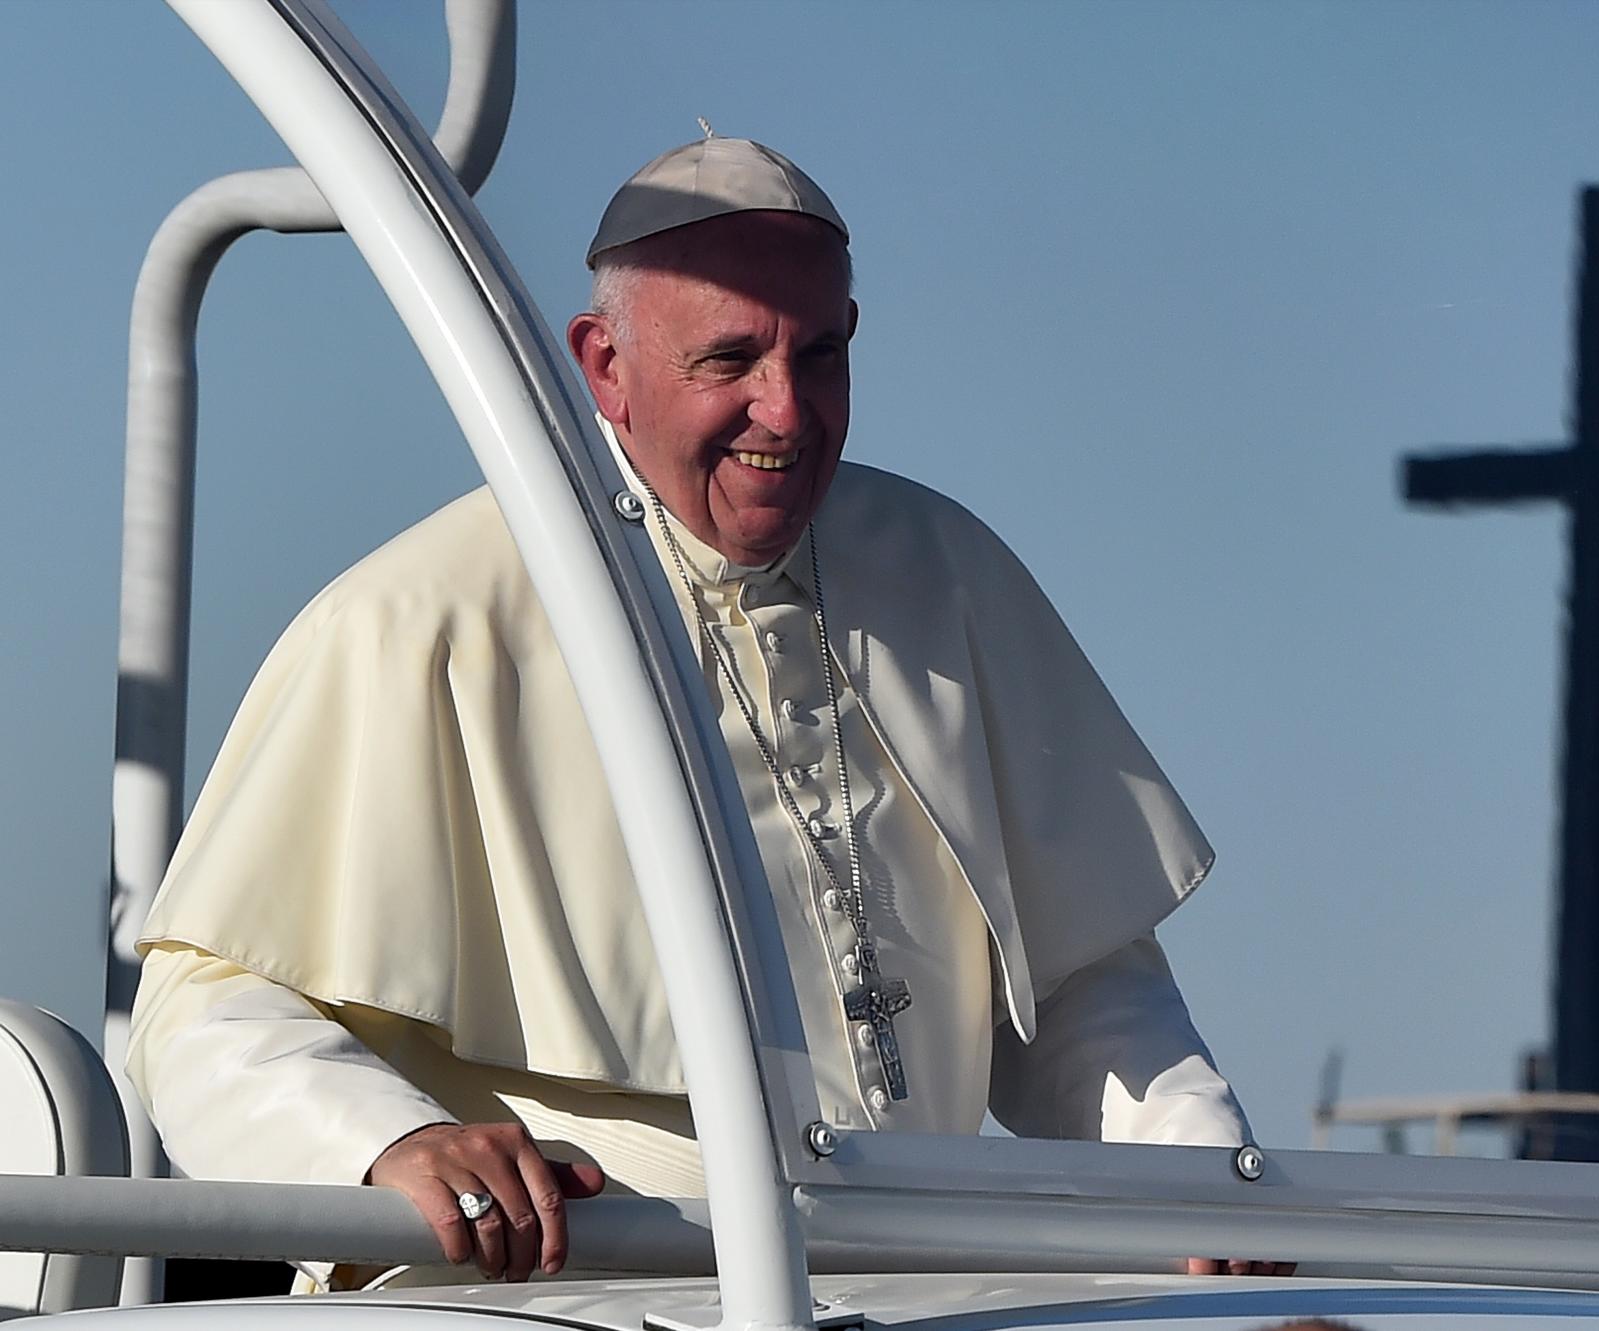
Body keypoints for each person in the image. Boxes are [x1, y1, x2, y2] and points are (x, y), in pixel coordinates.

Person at [128, 134, 1277, 1288]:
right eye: (729, 360)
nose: (784, 411)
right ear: (605, 366)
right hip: (578, 1288)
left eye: (817, 356)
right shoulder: (423, 614)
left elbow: (1077, 982)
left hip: (920, 1281)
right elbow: (206, 1006)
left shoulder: (949, 573)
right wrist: (386, 1142)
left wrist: (1196, 1172)